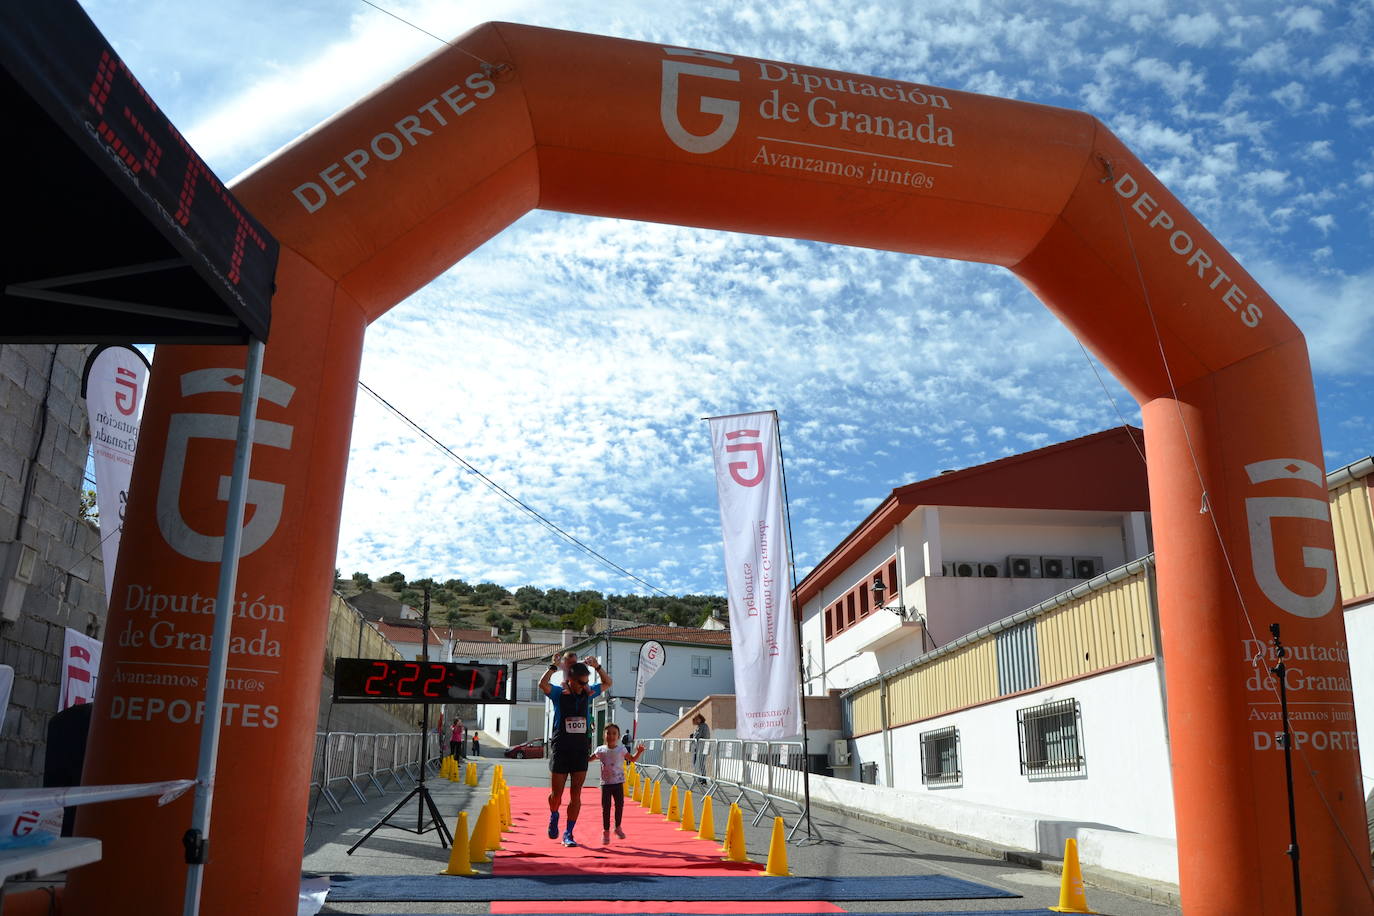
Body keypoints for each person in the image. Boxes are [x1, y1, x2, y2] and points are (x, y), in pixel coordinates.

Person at [539, 652, 611, 847]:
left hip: (580, 749)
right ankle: (554, 814)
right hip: (561, 747)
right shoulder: (558, 694)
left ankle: (568, 833)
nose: (584, 685)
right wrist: (553, 667)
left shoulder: (587, 693)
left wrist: (597, 667)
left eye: (586, 682)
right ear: (570, 680)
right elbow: (542, 685)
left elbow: (607, 683)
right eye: (581, 682)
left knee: (576, 794)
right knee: (557, 795)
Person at [590, 723, 644, 844]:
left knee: (619, 806)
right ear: (604, 735)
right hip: (605, 784)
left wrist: (639, 752)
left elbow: (633, 759)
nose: (611, 736)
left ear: (618, 736)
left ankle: (617, 827)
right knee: (606, 808)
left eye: (614, 733)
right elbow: (589, 758)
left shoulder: (621, 749)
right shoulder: (600, 750)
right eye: (608, 733)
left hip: (618, 783)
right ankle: (606, 832)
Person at [690, 713, 710, 784]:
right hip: (704, 747)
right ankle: (702, 778)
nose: (695, 721)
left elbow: (697, 737)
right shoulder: (705, 726)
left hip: (700, 747)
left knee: (698, 762)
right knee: (701, 763)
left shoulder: (701, 726)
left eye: (696, 719)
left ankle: (701, 778)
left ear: (700, 719)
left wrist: (692, 737)